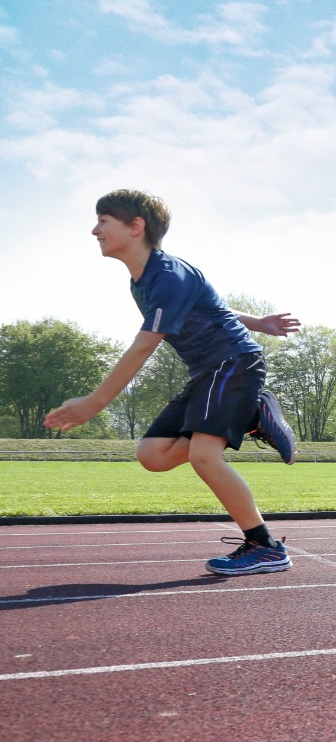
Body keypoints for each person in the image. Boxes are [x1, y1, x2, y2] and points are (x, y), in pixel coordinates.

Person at [44, 189, 302, 576]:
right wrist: (258, 321)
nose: (94, 231)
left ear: (136, 226)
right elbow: (211, 305)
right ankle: (251, 415)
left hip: (233, 363)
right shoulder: (142, 281)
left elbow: (142, 347)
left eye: (103, 221)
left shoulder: (168, 276)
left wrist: (93, 403)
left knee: (203, 456)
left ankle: (265, 546)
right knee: (153, 455)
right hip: (206, 372)